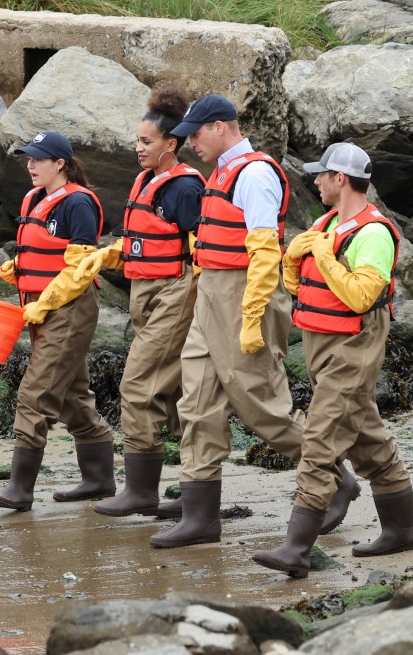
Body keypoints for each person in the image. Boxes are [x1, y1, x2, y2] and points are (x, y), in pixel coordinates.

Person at [148, 95, 358, 549]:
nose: (189, 145)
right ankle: (200, 516)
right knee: (196, 401)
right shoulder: (221, 171)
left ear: (221, 127)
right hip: (212, 295)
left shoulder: (256, 174)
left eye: (196, 135)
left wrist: (252, 317)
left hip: (245, 295)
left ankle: (335, 475)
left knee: (262, 407)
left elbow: (264, 254)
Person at [252, 142, 413, 577]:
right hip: (322, 344)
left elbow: (363, 296)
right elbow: (299, 287)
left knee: (320, 439)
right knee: (368, 440)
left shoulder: (374, 233)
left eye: (321, 175)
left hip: (354, 345)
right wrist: (294, 258)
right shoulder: (325, 222)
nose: (315, 181)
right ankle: (402, 531)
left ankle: (295, 549)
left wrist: (323, 255)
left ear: (340, 179)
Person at [73, 86, 205, 517]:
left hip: (176, 292)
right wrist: (107, 255)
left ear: (171, 144)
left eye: (146, 142)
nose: (138, 149)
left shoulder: (184, 188)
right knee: (174, 397)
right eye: (137, 141)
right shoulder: (145, 181)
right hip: (145, 294)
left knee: (136, 386)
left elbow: (199, 250)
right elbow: (140, 242)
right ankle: (197, 489)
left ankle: (141, 491)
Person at [0, 130, 116, 511]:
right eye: (28, 159)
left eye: (38, 159)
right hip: (40, 309)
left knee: (35, 392)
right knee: (73, 398)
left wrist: (48, 301)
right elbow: (43, 251)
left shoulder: (77, 204)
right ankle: (99, 479)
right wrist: (18, 269)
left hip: (69, 308)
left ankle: (19, 490)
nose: (30, 166)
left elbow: (81, 268)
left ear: (60, 164)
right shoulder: (34, 199)